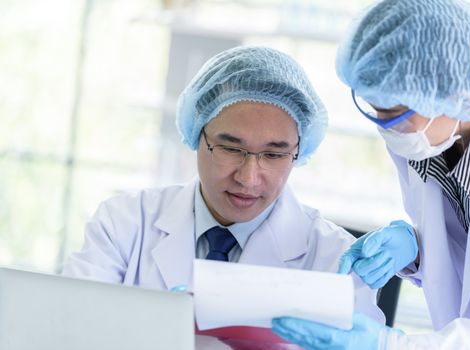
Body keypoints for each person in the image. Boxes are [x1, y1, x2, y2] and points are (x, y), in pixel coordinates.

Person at [62, 46, 384, 322]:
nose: (248, 178)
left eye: (274, 155)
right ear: (195, 135)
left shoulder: (333, 259)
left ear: (298, 152)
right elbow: (70, 328)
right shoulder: (124, 223)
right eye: (231, 148)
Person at [271, 0, 470, 348]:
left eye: (393, 114)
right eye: (375, 110)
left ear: (459, 97)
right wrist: (417, 250)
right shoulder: (426, 139)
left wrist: (391, 346)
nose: (386, 128)